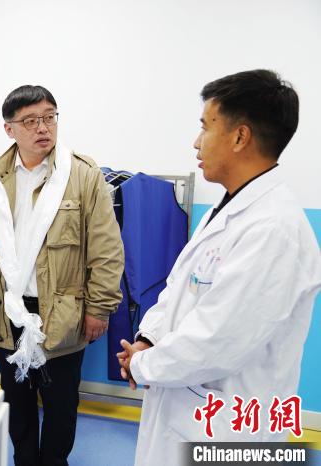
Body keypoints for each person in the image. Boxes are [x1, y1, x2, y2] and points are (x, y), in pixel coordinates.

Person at [117, 70, 321, 465]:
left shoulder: (273, 230)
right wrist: (149, 339)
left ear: (240, 137)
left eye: (205, 126)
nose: (197, 142)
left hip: (230, 430)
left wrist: (142, 364)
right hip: (188, 408)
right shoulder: (228, 208)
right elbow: (179, 290)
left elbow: (217, 339)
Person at [0, 85, 124, 466]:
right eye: (30, 121)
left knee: (61, 405)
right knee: (17, 402)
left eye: (49, 117)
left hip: (62, 312)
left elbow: (107, 249)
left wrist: (99, 308)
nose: (43, 128)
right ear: (9, 129)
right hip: (7, 310)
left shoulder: (82, 175)